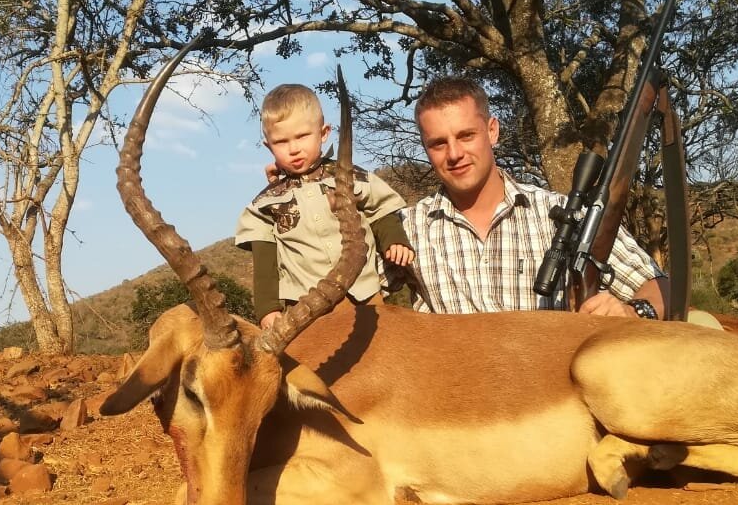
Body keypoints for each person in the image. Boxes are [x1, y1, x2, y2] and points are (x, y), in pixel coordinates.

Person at [393, 77, 668, 318]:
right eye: (438, 143)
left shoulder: (562, 213)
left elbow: (659, 285)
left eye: (466, 136)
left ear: (492, 131)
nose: (454, 154)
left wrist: (633, 312)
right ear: (425, 147)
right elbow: (355, 292)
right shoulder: (406, 227)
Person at [236, 83, 415, 329]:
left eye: (302, 136)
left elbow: (380, 210)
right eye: (281, 142)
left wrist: (394, 240)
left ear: (324, 133)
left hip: (364, 295)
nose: (294, 149)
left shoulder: (353, 177)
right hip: (305, 309)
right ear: (268, 146)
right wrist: (268, 308)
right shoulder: (266, 203)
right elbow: (265, 260)